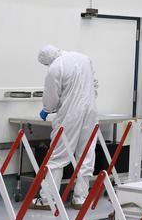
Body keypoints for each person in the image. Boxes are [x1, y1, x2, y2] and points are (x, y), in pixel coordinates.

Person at [35, 44, 98, 208]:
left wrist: (46, 109)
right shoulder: (84, 58)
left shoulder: (55, 67)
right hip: (90, 112)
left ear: (47, 60)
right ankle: (80, 198)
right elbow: (94, 83)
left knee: (58, 155)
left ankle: (48, 199)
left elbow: (51, 95)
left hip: (70, 115)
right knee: (86, 154)